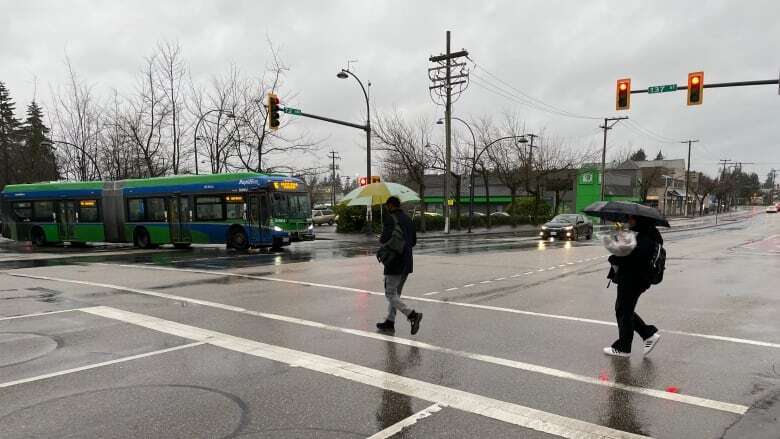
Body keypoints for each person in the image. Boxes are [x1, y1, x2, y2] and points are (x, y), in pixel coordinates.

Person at [603, 215, 662, 357]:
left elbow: (634, 260)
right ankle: (647, 334)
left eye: (632, 219)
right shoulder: (645, 234)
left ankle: (624, 347)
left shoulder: (645, 238)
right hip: (635, 280)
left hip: (633, 280)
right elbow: (631, 255)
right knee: (623, 309)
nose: (629, 222)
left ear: (640, 221)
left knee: (624, 311)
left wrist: (615, 256)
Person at [376, 196, 423, 335]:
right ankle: (390, 322)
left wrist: (382, 237)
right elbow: (413, 241)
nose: (386, 208)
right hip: (407, 262)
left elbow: (384, 239)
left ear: (390, 206)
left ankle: (412, 315)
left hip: (394, 261)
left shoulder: (391, 219)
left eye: (387, 206)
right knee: (396, 294)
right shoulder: (408, 219)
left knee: (390, 293)